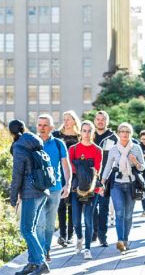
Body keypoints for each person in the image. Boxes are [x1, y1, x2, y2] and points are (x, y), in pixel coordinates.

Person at [8, 118, 50, 275]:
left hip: (30, 193)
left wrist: (12, 198)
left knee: (26, 229)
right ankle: (33, 262)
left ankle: (41, 262)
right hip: (41, 190)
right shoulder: (34, 142)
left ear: (11, 133)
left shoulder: (19, 147)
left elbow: (17, 174)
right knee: (30, 229)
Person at [101, 122, 145, 253]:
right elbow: (108, 167)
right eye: (123, 131)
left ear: (131, 134)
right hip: (117, 185)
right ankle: (120, 240)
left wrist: (135, 161)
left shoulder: (136, 148)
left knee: (128, 215)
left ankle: (125, 239)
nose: (125, 134)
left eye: (128, 131)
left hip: (131, 184)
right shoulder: (114, 149)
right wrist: (102, 182)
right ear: (119, 133)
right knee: (119, 213)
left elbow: (142, 167)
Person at [35, 114, 72, 263]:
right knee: (40, 222)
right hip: (37, 188)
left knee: (50, 223)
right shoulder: (32, 143)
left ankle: (46, 249)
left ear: (51, 127)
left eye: (45, 125)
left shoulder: (58, 144)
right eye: (39, 125)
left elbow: (65, 165)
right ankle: (41, 253)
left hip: (55, 188)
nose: (42, 128)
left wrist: (67, 184)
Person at [68, 120, 103, 260]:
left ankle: (87, 248)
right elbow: (70, 168)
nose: (87, 133)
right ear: (80, 132)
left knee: (88, 220)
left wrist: (83, 169)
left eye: (89, 131)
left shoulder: (97, 150)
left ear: (93, 132)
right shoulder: (73, 149)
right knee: (76, 221)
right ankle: (79, 238)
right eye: (84, 130)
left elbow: (97, 169)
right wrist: (83, 169)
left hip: (92, 189)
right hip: (76, 188)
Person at [53, 110, 82, 246]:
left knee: (72, 204)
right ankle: (62, 235)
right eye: (64, 119)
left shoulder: (80, 136)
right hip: (59, 172)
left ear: (74, 121)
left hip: (75, 174)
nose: (65, 121)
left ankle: (70, 234)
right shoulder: (56, 136)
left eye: (68, 119)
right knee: (61, 204)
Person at [91, 111, 116, 247]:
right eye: (98, 119)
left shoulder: (113, 138)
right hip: (89, 179)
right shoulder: (90, 135)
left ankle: (102, 236)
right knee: (92, 208)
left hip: (105, 179)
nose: (100, 121)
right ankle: (93, 234)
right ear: (95, 121)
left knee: (104, 208)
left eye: (103, 119)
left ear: (107, 121)